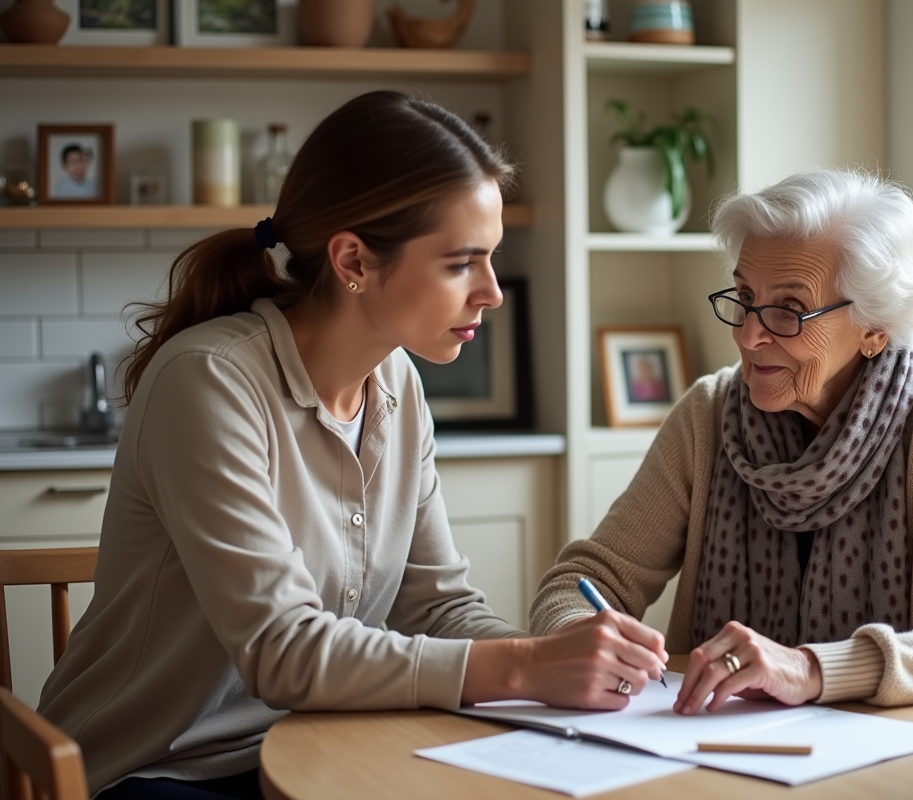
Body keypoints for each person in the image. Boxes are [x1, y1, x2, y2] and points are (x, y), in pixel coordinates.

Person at [38, 91, 669, 800]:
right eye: (461, 263)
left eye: (490, 259)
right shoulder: (210, 382)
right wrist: (522, 666)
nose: (492, 291)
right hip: (156, 767)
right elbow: (283, 651)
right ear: (354, 261)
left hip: (315, 741)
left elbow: (437, 606)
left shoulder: (395, 382)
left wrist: (556, 665)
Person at [530, 169, 913, 715]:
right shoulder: (708, 415)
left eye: (789, 310)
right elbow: (582, 581)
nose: (749, 335)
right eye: (745, 297)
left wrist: (812, 668)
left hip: (891, 753)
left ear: (875, 327)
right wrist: (580, 636)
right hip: (709, 745)